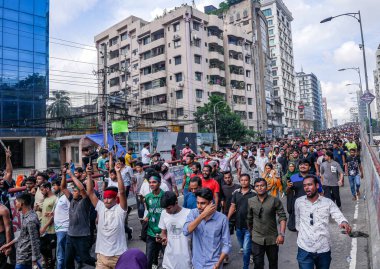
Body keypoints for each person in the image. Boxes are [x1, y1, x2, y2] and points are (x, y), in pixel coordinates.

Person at [295, 175, 352, 269]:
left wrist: (344, 222)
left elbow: (338, 215)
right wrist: (301, 238)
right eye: (305, 185)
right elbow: (297, 221)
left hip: (323, 248)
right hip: (304, 249)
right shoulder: (298, 202)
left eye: (309, 185)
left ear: (317, 186)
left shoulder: (327, 202)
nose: (306, 188)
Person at [86, 162, 128, 269]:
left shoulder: (120, 210)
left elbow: (122, 192)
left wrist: (118, 172)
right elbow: (90, 192)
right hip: (102, 257)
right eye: (104, 198)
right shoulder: (100, 207)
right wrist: (89, 174)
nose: (106, 200)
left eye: (109, 198)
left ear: (115, 199)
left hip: (118, 256)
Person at [183, 188, 231, 269]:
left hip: (214, 264)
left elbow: (227, 244)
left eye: (202, 203)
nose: (199, 206)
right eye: (197, 203)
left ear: (211, 203)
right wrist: (202, 216)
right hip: (197, 264)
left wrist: (218, 263)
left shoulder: (222, 219)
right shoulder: (193, 213)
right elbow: (186, 231)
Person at [247, 178, 287, 269]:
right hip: (257, 238)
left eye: (262, 185)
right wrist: (251, 233)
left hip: (272, 238)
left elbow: (282, 217)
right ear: (254, 188)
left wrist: (282, 234)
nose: (260, 188)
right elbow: (249, 219)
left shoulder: (274, 200)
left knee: (273, 264)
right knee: (258, 264)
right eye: (257, 186)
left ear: (267, 187)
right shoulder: (251, 201)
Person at [60, 167, 96, 268]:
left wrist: (71, 175)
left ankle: (103, 265)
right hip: (70, 235)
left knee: (86, 259)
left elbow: (82, 188)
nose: (73, 192)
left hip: (82, 236)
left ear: (80, 193)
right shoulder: (72, 199)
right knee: (68, 260)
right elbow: (63, 188)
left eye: (75, 191)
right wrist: (63, 175)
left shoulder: (85, 201)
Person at [1, 193, 41, 269]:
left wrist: (34, 262)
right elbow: (23, 235)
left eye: (16, 202)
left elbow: (35, 241)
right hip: (22, 257)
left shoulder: (30, 220)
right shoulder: (27, 215)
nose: (15, 204)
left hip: (25, 259)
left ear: (21, 204)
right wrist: (8, 244)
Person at [227, 174, 256, 269]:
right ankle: (251, 251)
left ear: (249, 181)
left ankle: (245, 266)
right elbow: (232, 206)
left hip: (249, 226)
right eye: (242, 180)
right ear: (240, 181)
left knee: (246, 249)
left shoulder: (254, 193)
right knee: (242, 244)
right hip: (238, 224)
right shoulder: (236, 193)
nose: (244, 182)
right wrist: (227, 219)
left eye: (246, 180)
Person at [158, 191, 191, 269]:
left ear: (176, 203)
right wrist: (163, 238)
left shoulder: (189, 213)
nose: (167, 211)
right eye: (165, 208)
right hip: (169, 260)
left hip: (185, 260)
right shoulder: (164, 213)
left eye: (169, 208)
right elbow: (163, 232)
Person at [144, 172, 165, 269]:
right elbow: (150, 210)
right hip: (151, 233)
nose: (151, 184)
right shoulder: (148, 197)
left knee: (168, 260)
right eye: (150, 182)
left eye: (154, 182)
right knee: (147, 261)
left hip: (163, 233)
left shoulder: (165, 196)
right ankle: (154, 263)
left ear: (160, 183)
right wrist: (147, 216)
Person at [51, 179, 69, 269]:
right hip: (58, 229)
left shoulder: (66, 197)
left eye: (54, 185)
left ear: (60, 186)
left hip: (64, 228)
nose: (53, 188)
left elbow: (71, 211)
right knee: (62, 253)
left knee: (60, 254)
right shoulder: (58, 197)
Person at [39, 182, 57, 269]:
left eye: (42, 189)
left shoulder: (55, 199)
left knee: (51, 249)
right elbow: (46, 213)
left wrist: (45, 227)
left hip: (51, 230)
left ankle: (51, 265)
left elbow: (54, 215)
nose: (41, 191)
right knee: (42, 248)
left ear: (48, 189)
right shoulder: (45, 199)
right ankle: (48, 264)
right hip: (44, 228)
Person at [0, 202, 13, 269]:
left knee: (2, 262)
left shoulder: (3, 209)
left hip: (1, 238)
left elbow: (8, 228)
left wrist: (8, 246)